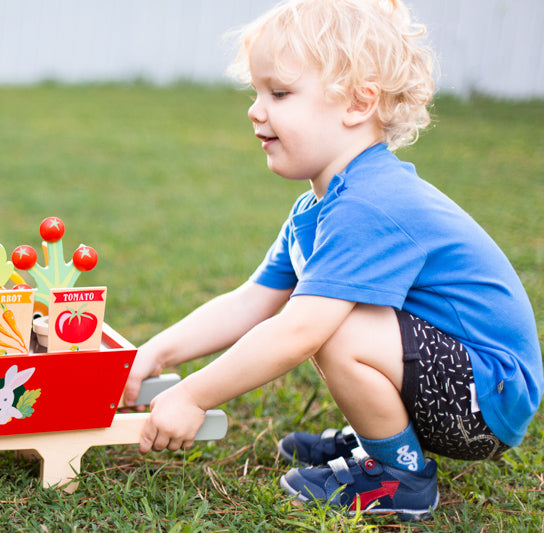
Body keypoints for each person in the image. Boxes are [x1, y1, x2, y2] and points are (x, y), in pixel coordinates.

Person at [121, 0, 543, 521]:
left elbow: (296, 333)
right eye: (256, 92)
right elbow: (250, 302)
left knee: (331, 325)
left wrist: (192, 395)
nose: (256, 109)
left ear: (358, 104)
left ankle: (402, 477)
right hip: (458, 380)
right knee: (332, 316)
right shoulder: (320, 209)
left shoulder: (370, 204)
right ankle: (380, 441)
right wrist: (154, 354)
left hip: (486, 396)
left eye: (279, 93)